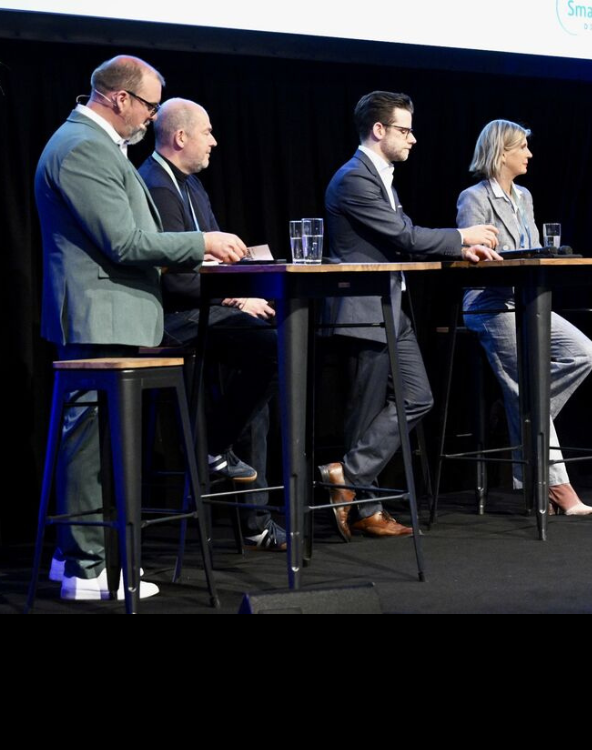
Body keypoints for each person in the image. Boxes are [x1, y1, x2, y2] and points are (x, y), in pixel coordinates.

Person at [36, 55, 247, 600]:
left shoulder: (96, 143)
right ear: (119, 98)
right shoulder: (83, 145)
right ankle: (86, 569)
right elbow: (124, 243)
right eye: (150, 106)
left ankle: (71, 560)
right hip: (97, 311)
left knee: (90, 439)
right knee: (86, 443)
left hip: (110, 311)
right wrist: (201, 245)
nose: (152, 119)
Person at [317, 90, 500, 539]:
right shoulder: (354, 178)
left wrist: (465, 247)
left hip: (390, 309)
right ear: (378, 131)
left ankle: (349, 477)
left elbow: (407, 235)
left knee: (418, 396)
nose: (413, 139)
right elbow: (405, 235)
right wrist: (462, 235)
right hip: (362, 310)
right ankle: (367, 508)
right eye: (405, 130)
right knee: (365, 413)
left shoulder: (382, 177)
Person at [138, 98, 284, 549]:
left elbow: (219, 259)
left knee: (269, 349)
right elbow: (176, 277)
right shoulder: (155, 186)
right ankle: (211, 446)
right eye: (208, 132)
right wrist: (234, 296)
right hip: (167, 317)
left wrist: (242, 287)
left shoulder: (191, 185)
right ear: (181, 137)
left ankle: (253, 516)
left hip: (202, 308)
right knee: (268, 348)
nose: (214, 141)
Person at [456, 119, 592, 515]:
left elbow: (533, 248)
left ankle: (517, 408)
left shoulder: (526, 197)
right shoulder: (474, 197)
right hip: (489, 304)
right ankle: (558, 488)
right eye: (523, 147)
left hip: (527, 302)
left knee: (584, 353)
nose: (530, 154)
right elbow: (470, 253)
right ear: (503, 153)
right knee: (526, 389)